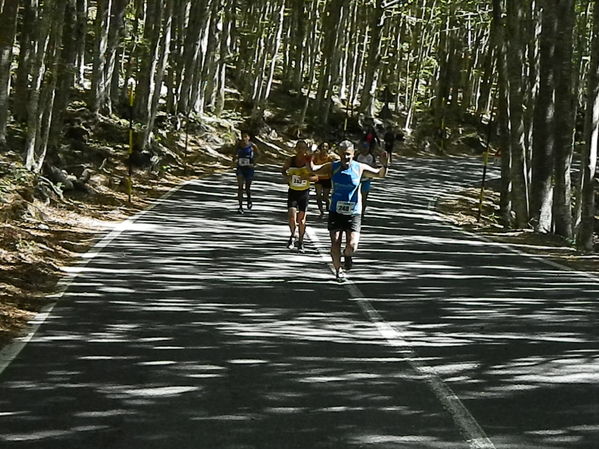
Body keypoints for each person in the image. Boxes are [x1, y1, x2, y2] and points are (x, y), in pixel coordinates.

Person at [309, 140, 389, 281]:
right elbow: (313, 170)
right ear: (339, 154)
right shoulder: (332, 167)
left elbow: (380, 175)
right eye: (343, 154)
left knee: (352, 245)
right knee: (335, 243)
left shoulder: (359, 168)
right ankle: (338, 271)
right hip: (336, 211)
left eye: (348, 155)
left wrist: (385, 164)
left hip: (354, 212)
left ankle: (347, 255)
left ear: (353, 154)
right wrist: (309, 156)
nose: (346, 158)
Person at [281, 140, 318, 253]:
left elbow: (316, 177)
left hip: (304, 193)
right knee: (291, 217)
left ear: (306, 149)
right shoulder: (291, 160)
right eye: (299, 148)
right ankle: (293, 236)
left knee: (301, 220)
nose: (301, 150)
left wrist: (306, 178)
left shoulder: (309, 161)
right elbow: (283, 171)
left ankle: (301, 242)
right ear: (296, 149)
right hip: (293, 191)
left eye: (303, 148)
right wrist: (287, 177)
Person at [313, 141, 339, 218]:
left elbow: (338, 161)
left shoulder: (330, 157)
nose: (324, 148)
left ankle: (328, 205)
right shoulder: (316, 156)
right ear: (320, 147)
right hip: (318, 178)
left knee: (325, 197)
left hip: (327, 179)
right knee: (318, 196)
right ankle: (321, 212)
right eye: (323, 146)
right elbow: (312, 165)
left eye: (326, 147)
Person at [235, 132, 259, 214]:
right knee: (240, 187)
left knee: (247, 188)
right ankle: (240, 207)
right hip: (240, 168)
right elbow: (234, 154)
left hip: (249, 169)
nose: (244, 138)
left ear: (249, 137)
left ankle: (249, 199)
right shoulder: (238, 145)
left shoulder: (253, 146)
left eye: (245, 136)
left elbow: (259, 155)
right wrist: (235, 159)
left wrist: (254, 163)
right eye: (242, 136)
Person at [355, 142, 377, 216]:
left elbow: (374, 167)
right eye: (363, 147)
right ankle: (355, 211)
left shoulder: (371, 157)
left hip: (366, 180)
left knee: (364, 197)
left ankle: (362, 212)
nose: (364, 149)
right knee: (355, 196)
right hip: (357, 179)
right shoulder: (357, 156)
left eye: (366, 148)